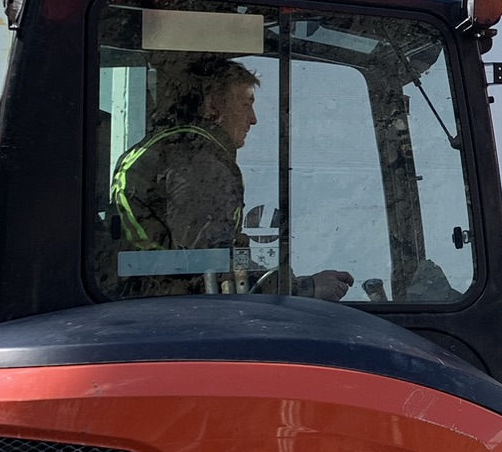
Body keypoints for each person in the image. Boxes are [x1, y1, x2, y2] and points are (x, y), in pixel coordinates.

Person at [111, 57, 350, 300]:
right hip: (174, 305)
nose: (253, 119)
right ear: (212, 106)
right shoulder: (199, 165)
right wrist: (303, 288)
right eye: (245, 105)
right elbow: (215, 268)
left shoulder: (160, 148)